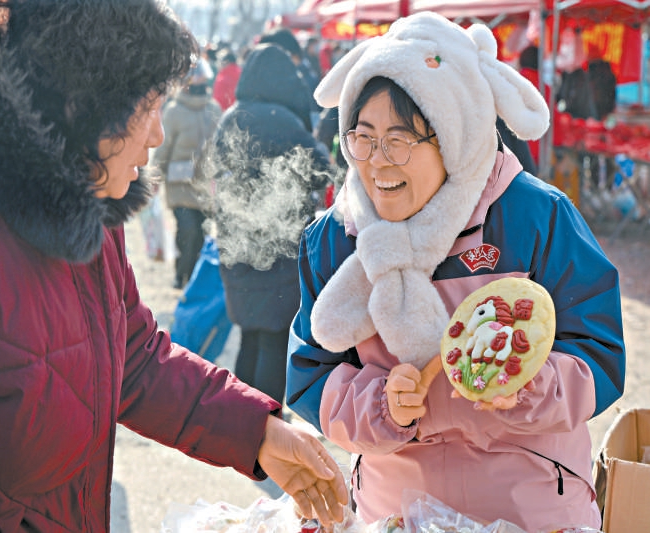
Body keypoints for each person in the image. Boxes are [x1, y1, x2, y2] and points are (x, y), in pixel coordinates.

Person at [0, 1, 348, 530]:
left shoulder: (86, 200)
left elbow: (133, 356)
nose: (157, 135)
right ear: (85, 103)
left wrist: (258, 432)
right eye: (148, 106)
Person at [286, 12, 625, 533]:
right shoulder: (334, 238)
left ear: (454, 136)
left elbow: (599, 354)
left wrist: (527, 385)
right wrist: (381, 405)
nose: (377, 162)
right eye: (363, 138)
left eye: (399, 140)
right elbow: (311, 375)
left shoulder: (535, 217)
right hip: (395, 513)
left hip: (533, 509)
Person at [205, 42, 334, 404]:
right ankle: (266, 421)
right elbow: (320, 171)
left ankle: (243, 414)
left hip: (237, 245)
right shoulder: (285, 121)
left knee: (249, 335)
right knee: (275, 340)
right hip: (280, 250)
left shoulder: (231, 117)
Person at [149, 58, 221, 289]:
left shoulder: (213, 109)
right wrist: (155, 177)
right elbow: (163, 147)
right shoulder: (173, 112)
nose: (199, 81)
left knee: (201, 234)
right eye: (194, 77)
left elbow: (221, 147)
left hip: (205, 187)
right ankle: (180, 274)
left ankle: (193, 279)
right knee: (187, 231)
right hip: (179, 185)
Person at [212, 48, 241, 112]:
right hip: (242, 113)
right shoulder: (242, 74)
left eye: (219, 61)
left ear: (225, 62)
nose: (217, 64)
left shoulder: (221, 79)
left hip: (226, 115)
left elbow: (218, 103)